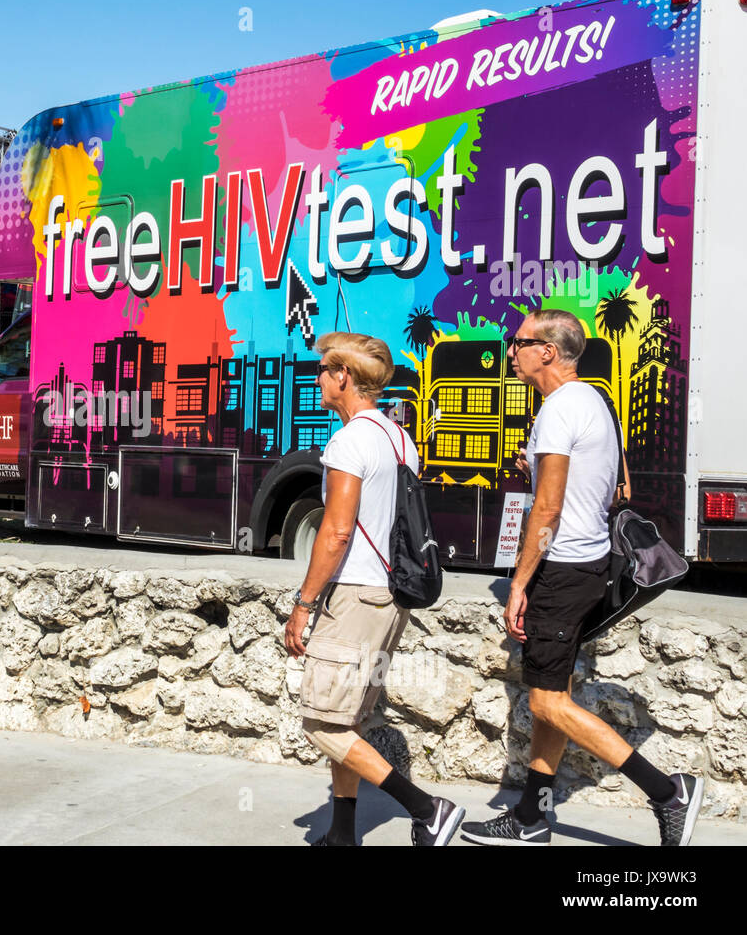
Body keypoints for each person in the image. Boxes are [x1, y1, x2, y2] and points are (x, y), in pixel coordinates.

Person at [461, 309, 702, 846]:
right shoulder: (594, 401)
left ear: (547, 350)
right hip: (588, 563)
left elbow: (546, 512)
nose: (510, 352)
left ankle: (668, 792)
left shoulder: (558, 410)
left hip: (562, 569)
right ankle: (529, 817)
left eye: (517, 342)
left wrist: (519, 582)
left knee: (547, 702)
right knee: (555, 692)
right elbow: (618, 491)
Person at [284, 332, 465, 847]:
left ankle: (428, 809)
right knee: (353, 720)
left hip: (356, 598)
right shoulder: (397, 436)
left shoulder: (348, 441)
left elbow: (337, 531)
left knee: (322, 724)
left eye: (322, 369)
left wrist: (303, 604)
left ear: (343, 376)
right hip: (388, 597)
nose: (317, 378)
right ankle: (343, 835)